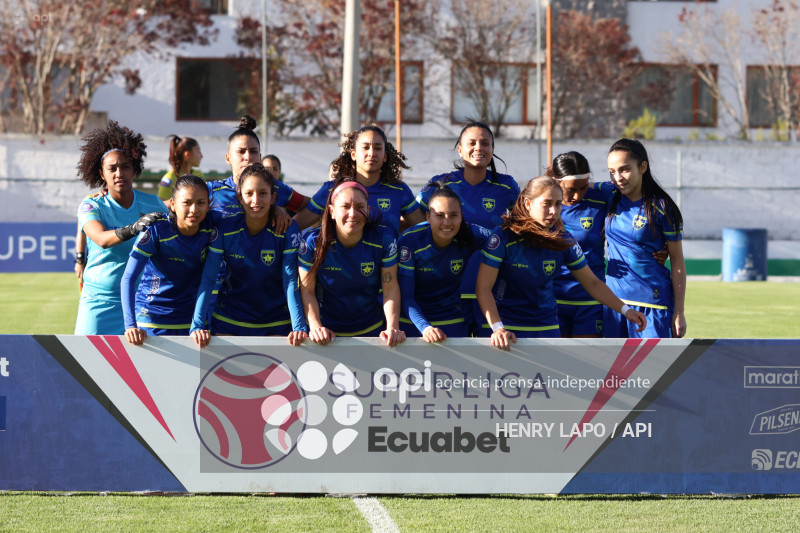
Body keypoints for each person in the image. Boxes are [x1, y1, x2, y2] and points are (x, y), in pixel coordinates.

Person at [476, 176, 647, 350]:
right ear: (528, 204)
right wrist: (498, 328)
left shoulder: (562, 238)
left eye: (558, 204)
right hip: (506, 331)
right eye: (547, 203)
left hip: (546, 328)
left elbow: (593, 282)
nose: (553, 211)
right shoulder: (504, 235)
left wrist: (626, 310)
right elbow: (483, 287)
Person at [191, 163, 308, 348]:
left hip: (275, 323)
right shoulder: (225, 228)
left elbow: (291, 281)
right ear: (239, 197)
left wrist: (299, 326)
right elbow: (208, 278)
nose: (256, 200)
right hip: (229, 321)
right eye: (249, 193)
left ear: (273, 197)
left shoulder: (287, 228)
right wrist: (197, 326)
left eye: (263, 193)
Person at [74, 121, 169, 335]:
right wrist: (135, 228)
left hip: (143, 305)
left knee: (141, 369)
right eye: (112, 168)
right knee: (85, 367)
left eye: (125, 166)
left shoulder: (153, 204)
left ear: (134, 169)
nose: (119, 173)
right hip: (99, 303)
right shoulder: (92, 205)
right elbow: (101, 239)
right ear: (101, 173)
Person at [598, 138, 687, 339]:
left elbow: (678, 262)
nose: (618, 177)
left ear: (643, 167)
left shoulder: (663, 207)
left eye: (624, 169)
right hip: (615, 305)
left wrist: (679, 311)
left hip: (652, 304)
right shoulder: (608, 194)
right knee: (612, 370)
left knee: (654, 370)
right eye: (612, 171)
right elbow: (572, 185)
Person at [298, 179, 404, 347]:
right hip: (328, 335)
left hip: (373, 333)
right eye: (345, 206)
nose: (353, 214)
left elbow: (389, 289)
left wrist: (392, 327)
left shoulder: (384, 239)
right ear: (332, 211)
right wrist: (316, 326)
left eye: (360, 207)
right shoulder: (313, 242)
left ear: (368, 211)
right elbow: (307, 290)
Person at [121, 174, 219, 345]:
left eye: (201, 203)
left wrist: (197, 324)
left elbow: (208, 280)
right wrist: (130, 325)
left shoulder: (213, 227)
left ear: (208, 204)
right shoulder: (156, 230)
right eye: (186, 202)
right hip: (151, 318)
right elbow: (128, 278)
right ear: (172, 204)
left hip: (189, 321)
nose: (194, 209)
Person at [398, 183, 491, 342]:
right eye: (440, 215)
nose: (447, 222)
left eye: (453, 215)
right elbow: (406, 296)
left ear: (461, 216)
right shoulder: (410, 241)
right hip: (412, 320)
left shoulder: (473, 234)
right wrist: (425, 327)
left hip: (451, 317)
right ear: (428, 217)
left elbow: (505, 242)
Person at [293, 124, 424, 233]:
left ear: (385, 156)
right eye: (365, 147)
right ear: (354, 154)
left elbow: (426, 231)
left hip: (387, 265)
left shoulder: (399, 190)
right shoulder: (332, 189)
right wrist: (277, 211)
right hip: (341, 264)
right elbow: (294, 226)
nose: (371, 153)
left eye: (378, 148)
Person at [208, 115, 307, 221]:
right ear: (228, 158)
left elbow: (315, 207)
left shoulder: (275, 187)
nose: (248, 157)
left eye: (253, 151)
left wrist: (290, 228)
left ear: (260, 158)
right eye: (241, 152)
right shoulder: (211, 191)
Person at [157, 135, 204, 201]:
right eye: (198, 151)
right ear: (187, 155)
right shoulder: (169, 179)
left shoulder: (199, 176)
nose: (201, 156)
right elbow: (162, 205)